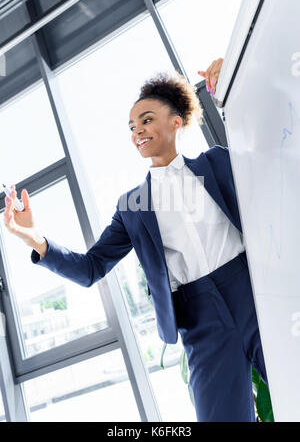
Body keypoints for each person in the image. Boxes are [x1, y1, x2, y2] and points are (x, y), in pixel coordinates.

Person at [3, 58, 268, 422]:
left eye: (146, 120)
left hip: (258, 297)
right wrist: (33, 237)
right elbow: (91, 268)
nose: (137, 131)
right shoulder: (133, 205)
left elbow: (271, 152)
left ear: (177, 122)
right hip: (201, 322)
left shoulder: (219, 162)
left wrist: (234, 82)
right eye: (132, 126)